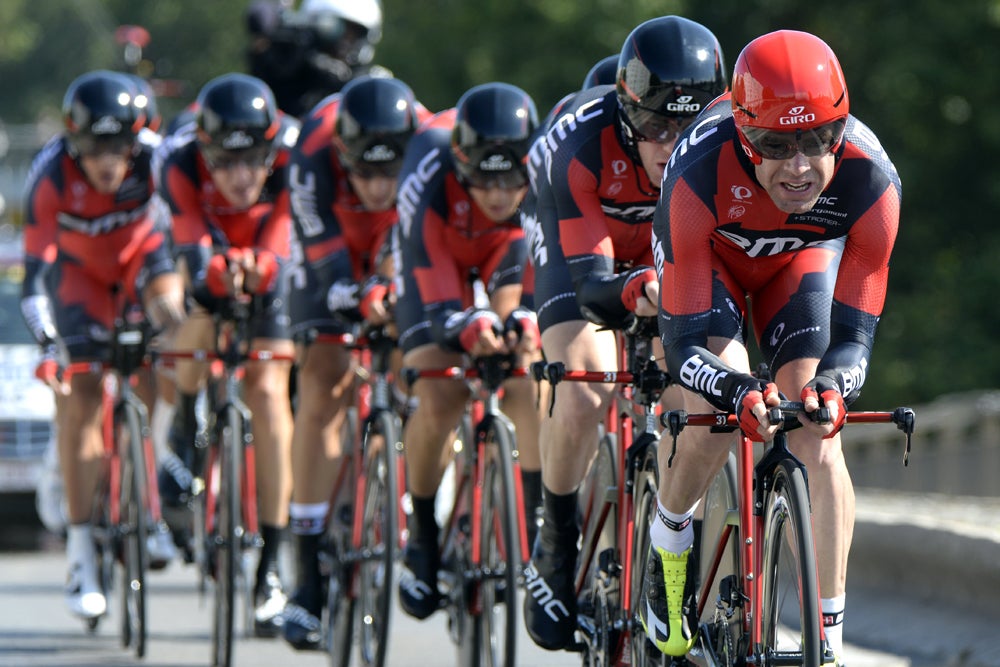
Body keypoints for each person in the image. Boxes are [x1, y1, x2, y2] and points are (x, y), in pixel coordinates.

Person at [648, 30, 901, 662]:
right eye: (774, 144)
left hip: (800, 263)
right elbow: (682, 351)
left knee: (817, 429)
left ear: (841, 131)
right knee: (712, 422)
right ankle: (669, 535)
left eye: (819, 140)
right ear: (741, 136)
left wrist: (832, 389)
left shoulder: (872, 181)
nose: (799, 165)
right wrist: (737, 389)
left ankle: (827, 643)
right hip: (713, 266)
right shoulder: (696, 174)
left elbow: (854, 338)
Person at [522, 15, 728, 651]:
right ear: (624, 112)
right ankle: (556, 539)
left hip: (662, 250)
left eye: (686, 126)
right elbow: (589, 289)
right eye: (654, 126)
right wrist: (637, 290)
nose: (671, 144)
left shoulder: (726, 146)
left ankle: (674, 550)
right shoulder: (578, 143)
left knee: (690, 395)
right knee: (584, 387)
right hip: (583, 243)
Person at [22, 69, 186, 620]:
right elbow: (35, 274)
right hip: (78, 281)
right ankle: (80, 554)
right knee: (87, 390)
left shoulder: (158, 159)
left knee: (175, 323)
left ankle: (155, 483)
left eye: (120, 147)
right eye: (94, 148)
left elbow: (189, 228)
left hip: (143, 263)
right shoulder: (50, 175)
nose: (109, 162)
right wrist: (47, 336)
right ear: (74, 143)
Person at [278, 74, 428, 650]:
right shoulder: (312, 151)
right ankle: (308, 570)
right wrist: (349, 293)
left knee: (420, 352)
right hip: (328, 247)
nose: (377, 185)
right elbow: (319, 258)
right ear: (343, 156)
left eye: (389, 172)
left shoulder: (425, 145)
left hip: (396, 240)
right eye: (364, 171)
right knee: (321, 380)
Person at [154, 72, 300, 638]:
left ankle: (271, 561)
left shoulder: (291, 156)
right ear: (204, 152)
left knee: (267, 391)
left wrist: (263, 265)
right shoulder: (177, 159)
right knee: (197, 309)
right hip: (207, 245)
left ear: (271, 148)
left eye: (253, 162)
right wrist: (215, 271)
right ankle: (187, 414)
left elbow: (285, 234)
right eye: (226, 163)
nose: (242, 177)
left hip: (269, 248)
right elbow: (188, 239)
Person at [393, 82, 543, 620]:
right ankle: (424, 534)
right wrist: (465, 326)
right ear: (461, 165)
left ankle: (533, 522)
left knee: (527, 370)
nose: (499, 194)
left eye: (512, 179)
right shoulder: (428, 173)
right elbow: (436, 307)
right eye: (484, 178)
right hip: (436, 254)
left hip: (505, 247)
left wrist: (519, 320)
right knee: (438, 393)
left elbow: (530, 285)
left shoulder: (541, 172)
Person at [246, 0, 389, 118]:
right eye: (336, 30)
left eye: (353, 32)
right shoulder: (292, 67)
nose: (344, 41)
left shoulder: (369, 82)